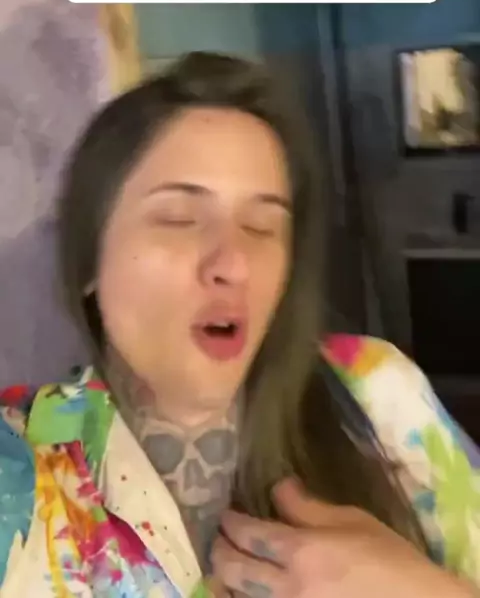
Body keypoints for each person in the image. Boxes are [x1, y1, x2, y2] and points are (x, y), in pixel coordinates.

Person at [0, 51, 478, 598]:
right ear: (90, 259)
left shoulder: (376, 392)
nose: (235, 265)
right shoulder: (20, 467)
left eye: (263, 226)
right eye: (179, 219)